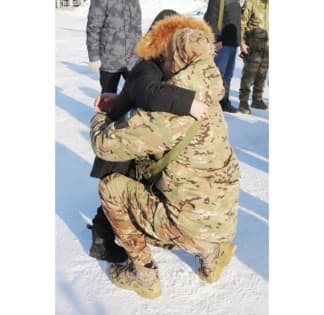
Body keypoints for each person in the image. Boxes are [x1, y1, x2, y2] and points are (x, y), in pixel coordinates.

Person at [90, 15, 240, 299]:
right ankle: (212, 259)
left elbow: (105, 145)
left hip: (190, 226)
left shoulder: (169, 113)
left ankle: (145, 277)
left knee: (111, 187)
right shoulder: (210, 94)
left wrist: (101, 114)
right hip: (225, 219)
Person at [87, 10, 211, 263]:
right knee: (118, 183)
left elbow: (135, 94)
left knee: (132, 185)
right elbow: (149, 93)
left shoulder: (158, 66)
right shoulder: (147, 66)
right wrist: (188, 103)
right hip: (122, 142)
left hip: (135, 139)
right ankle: (101, 241)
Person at [86, 0, 141, 93]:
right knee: (108, 99)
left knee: (137, 96)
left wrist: (142, 52)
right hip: (109, 61)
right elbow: (93, 29)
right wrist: (94, 57)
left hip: (133, 59)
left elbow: (137, 29)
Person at [204, 0, 241, 113]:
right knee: (216, 74)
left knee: (228, 75)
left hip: (233, 43)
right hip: (221, 44)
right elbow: (210, 18)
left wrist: (240, 41)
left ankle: (224, 102)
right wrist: (216, 39)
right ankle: (211, 103)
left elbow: (237, 22)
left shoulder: (237, 2)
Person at [238, 0, 269, 114]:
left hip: (267, 46)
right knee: (249, 74)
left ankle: (257, 99)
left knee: (262, 73)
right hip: (253, 45)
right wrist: (241, 43)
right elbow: (241, 23)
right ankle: (243, 102)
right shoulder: (251, 2)